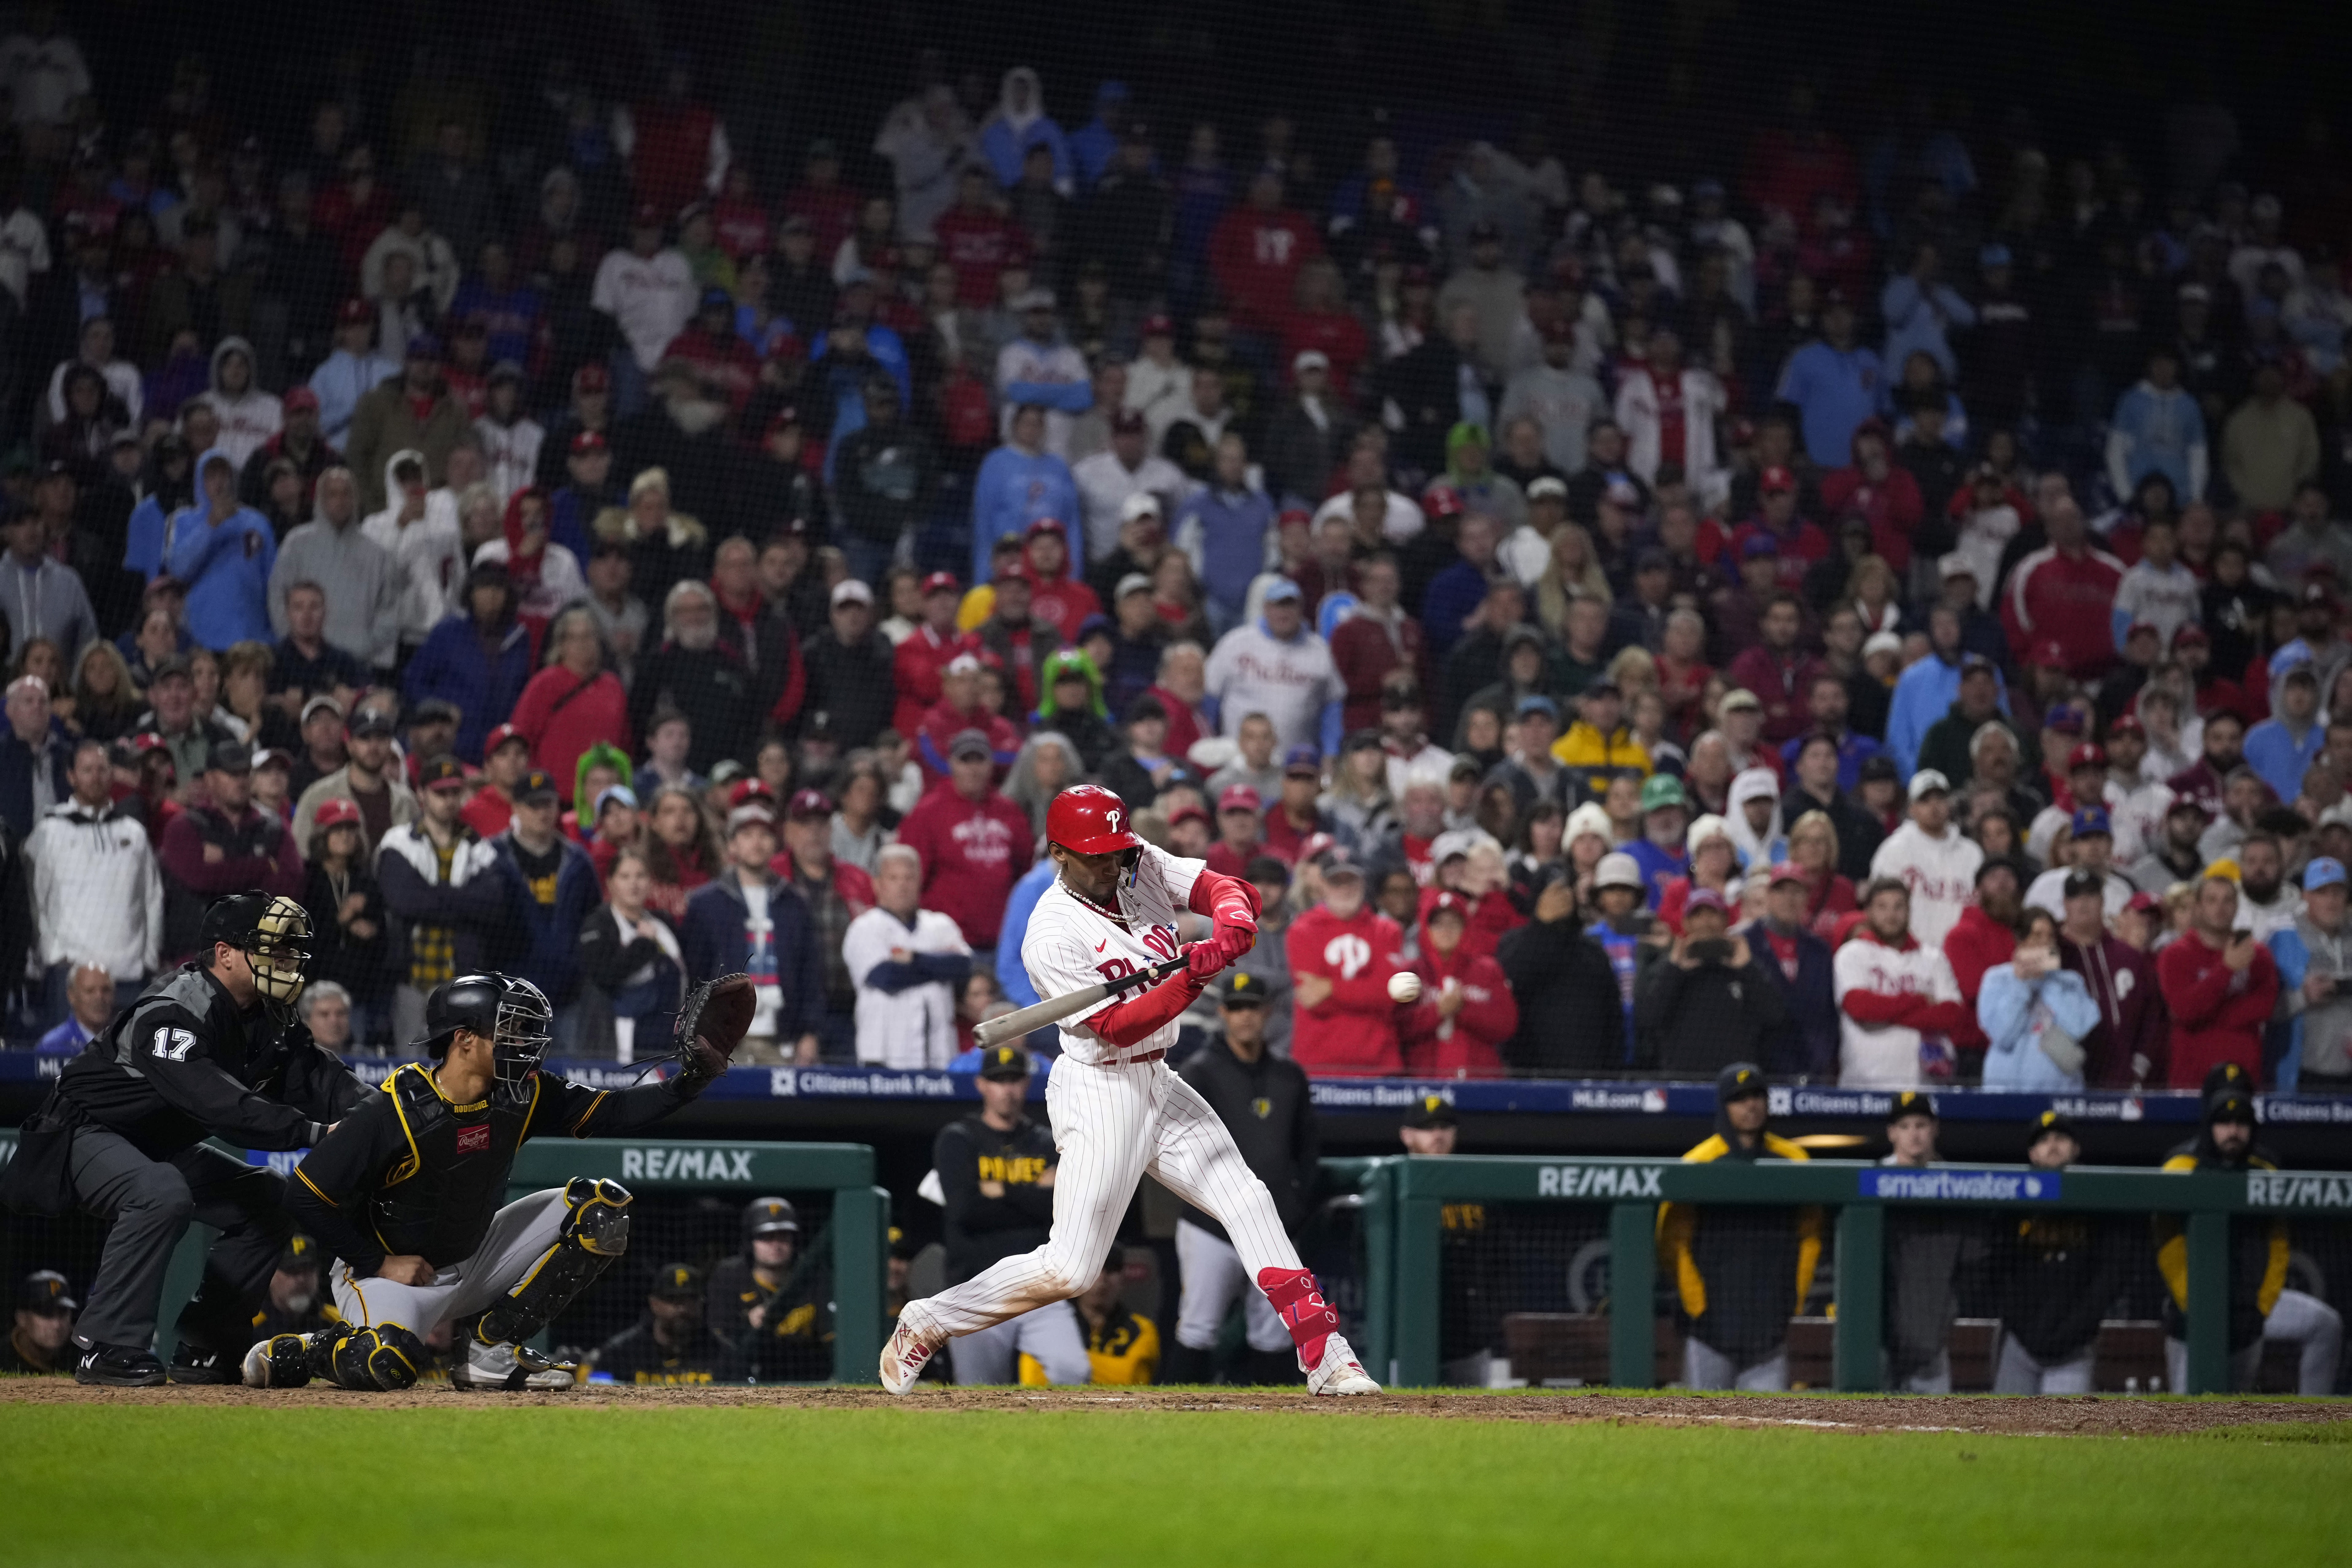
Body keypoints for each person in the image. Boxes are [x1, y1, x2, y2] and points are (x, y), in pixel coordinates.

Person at [882, 785, 1381, 1396]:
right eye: (1095, 855)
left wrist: (1232, 923)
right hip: (1099, 1088)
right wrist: (1193, 977)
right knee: (1072, 1269)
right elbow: (1116, 1027)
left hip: (1158, 1077)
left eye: (1114, 851)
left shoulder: (1136, 859)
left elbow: (1223, 889)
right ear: (1059, 854)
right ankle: (929, 1319)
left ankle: (1326, 1354)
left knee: (1248, 1199)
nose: (1110, 863)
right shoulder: (1050, 935)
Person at [255, 971, 748, 1392]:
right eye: (508, 1030)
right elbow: (303, 1195)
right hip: (388, 1275)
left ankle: (490, 1350)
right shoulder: (393, 1110)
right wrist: (378, 1261)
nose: (523, 1041)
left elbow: (615, 1110)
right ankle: (308, 1350)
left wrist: (691, 1080)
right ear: (463, 1039)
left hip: (474, 1257)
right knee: (388, 1365)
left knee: (602, 1211)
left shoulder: (524, 1093)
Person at [6, 895, 364, 1385]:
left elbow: (321, 1078)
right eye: (273, 948)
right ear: (226, 954)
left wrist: (387, 1112)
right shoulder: (174, 1010)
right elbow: (216, 1104)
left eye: (289, 950)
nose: (285, 961)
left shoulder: (266, 1014)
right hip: (79, 1133)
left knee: (272, 1199)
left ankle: (208, 1344)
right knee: (162, 1192)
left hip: (152, 1144)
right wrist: (313, 1134)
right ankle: (105, 1345)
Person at [1164, 970, 1319, 1385]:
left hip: (1273, 1226)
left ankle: (1270, 1430)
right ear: (1222, 1013)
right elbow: (1182, 1150)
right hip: (1211, 1225)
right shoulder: (1199, 1073)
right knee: (1199, 1326)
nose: (1245, 1017)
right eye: (1236, 1008)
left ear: (1267, 1011)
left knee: (1274, 1335)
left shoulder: (1290, 1075)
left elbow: (1306, 1151)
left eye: (1252, 1007)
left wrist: (1296, 1206)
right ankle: (1173, 1425)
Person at [2155, 1087, 2344, 1395]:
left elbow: (2279, 1246)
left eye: (2242, 1123)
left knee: (2238, 1411)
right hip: (2191, 1318)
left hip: (2248, 1314)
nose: (2233, 1131)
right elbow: (2168, 1245)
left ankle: (2315, 1420)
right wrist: (2195, 1303)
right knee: (2186, 1418)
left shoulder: (2265, 1171)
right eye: (2225, 1123)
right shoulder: (2184, 1168)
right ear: (2209, 1127)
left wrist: (2262, 1306)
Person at [1655, 1064, 1823, 1391]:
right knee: (1703, 1431)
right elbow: (1672, 1241)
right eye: (1739, 1099)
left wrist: (1795, 1298)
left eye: (1757, 1097)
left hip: (1771, 1329)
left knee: (1767, 1432)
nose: (1751, 1106)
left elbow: (1811, 1235)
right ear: (1724, 1106)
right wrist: (1697, 1304)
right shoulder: (1699, 1163)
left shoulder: (1794, 1160)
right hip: (1709, 1330)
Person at [926, 1043, 1086, 1385]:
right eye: (998, 1080)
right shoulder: (959, 1139)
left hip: (1039, 1286)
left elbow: (1060, 1208)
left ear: (1026, 1084)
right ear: (982, 1084)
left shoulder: (1046, 1140)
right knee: (978, 1392)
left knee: (1074, 1370)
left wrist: (1003, 1190)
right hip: (976, 1288)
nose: (1007, 1090)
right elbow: (966, 1210)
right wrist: (1033, 1193)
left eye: (1014, 1080)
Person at [679, 796, 824, 1066]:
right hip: (720, 1040)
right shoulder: (705, 904)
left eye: (764, 835)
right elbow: (693, 973)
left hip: (782, 1041)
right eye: (747, 835)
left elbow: (810, 975)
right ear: (733, 844)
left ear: (776, 844)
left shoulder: (795, 904)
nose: (756, 843)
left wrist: (810, 1033)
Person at [1992, 1112, 2129, 1394]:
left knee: (2063, 1434)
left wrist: (2074, 1331)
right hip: (2019, 1346)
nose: (2053, 1146)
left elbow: (2110, 1277)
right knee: (2005, 1433)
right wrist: (2023, 1326)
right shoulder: (2013, 1204)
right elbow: (1997, 1271)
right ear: (2032, 1153)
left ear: (2076, 1149)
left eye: (2061, 1139)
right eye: (2044, 1141)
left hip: (2074, 1351)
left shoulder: (2098, 1201)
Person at [375, 757, 507, 1045]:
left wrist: (433, 895)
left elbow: (494, 906)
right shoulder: (399, 842)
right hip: (410, 977)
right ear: (421, 794)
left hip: (459, 981)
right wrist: (462, 901)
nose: (449, 801)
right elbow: (404, 901)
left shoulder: (478, 846)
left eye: (454, 793)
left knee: (456, 1065)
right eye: (440, 793)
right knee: (409, 1068)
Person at [29, 737, 162, 1020]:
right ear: (71, 776)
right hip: (71, 976)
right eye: (87, 770)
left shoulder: (134, 833)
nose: (96, 777)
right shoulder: (50, 832)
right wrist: (49, 956)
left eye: (102, 769)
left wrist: (149, 959)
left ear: (112, 774)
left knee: (128, 1061)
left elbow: (152, 897)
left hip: (127, 976)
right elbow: (35, 899)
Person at [895, 730, 1035, 968]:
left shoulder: (1009, 811)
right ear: (951, 764)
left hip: (1003, 945)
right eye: (965, 761)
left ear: (991, 764)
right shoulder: (928, 813)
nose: (973, 769)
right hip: (948, 945)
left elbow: (1025, 871)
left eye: (979, 760)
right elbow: (909, 877)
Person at [1877, 1092, 1980, 1393]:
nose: (1914, 1134)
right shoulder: (1870, 1180)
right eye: (1906, 1126)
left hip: (1933, 1343)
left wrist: (1948, 1313)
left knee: (1938, 1432)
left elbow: (1970, 1264)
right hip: (1878, 1342)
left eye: (1921, 1125)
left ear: (1935, 1129)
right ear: (1892, 1133)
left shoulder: (1954, 1186)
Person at [843, 843, 973, 1070]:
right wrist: (937, 965)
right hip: (884, 1054)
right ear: (878, 884)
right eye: (894, 878)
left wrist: (914, 959)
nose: (902, 885)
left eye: (909, 878)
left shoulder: (940, 924)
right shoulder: (864, 927)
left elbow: (963, 967)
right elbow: (885, 976)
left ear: (920, 881)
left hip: (938, 1055)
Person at [1288, 855, 1416, 1077]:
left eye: (1351, 881)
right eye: (1337, 882)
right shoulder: (1302, 931)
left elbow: (1391, 995)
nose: (1345, 889)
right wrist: (1369, 990)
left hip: (1380, 1063)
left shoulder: (1388, 932)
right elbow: (1313, 1001)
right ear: (1323, 885)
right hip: (1319, 1064)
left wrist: (1330, 988)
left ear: (1363, 884)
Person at [1834, 877, 1969, 1087]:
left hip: (1926, 1084)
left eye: (1899, 907)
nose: (1891, 915)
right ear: (1868, 912)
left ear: (1909, 910)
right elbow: (1859, 1007)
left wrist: (1884, 1013)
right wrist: (1919, 1001)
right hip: (1866, 1081)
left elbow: (1951, 1015)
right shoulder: (1852, 954)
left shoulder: (1933, 957)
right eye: (1882, 907)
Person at [2157, 869, 2281, 1087]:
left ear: (2237, 906)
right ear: (2198, 907)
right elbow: (2185, 1011)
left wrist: (2207, 1017)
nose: (2220, 908)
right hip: (2191, 1081)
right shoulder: (2175, 955)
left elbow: (2265, 1007)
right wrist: (2226, 970)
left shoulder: (2257, 954)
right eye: (2211, 900)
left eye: (2227, 901)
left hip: (2244, 1079)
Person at [1495, 868, 1627, 1074]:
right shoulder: (1513, 943)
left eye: (1566, 892)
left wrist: (1612, 1078)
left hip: (1588, 1081)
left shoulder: (1592, 952)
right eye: (1552, 893)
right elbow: (1510, 984)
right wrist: (1542, 925)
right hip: (1528, 1080)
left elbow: (1613, 1021)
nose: (1560, 899)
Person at [1203, 578, 1343, 755]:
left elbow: (1333, 709)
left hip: (1296, 762)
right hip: (1238, 760)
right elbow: (1210, 698)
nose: (1284, 613)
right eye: (1278, 606)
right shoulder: (1236, 642)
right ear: (1266, 609)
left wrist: (1331, 754)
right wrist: (1212, 747)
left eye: (1290, 606)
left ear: (1301, 610)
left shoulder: (1320, 650)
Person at [706, 1197, 832, 1383]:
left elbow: (832, 1338)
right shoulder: (731, 1275)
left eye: (784, 1236)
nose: (776, 1245)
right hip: (743, 1375)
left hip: (806, 1373)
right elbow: (718, 1333)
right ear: (750, 1241)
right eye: (766, 1237)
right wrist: (746, 1322)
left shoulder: (814, 1276)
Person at [1978, 904, 2102, 1091]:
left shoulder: (2071, 982)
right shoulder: (1997, 979)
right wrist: (2022, 986)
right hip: (2007, 1094)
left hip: (2061, 1092)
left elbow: (2077, 1029)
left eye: (2051, 936)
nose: (2046, 943)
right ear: (2020, 940)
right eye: (2037, 936)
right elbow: (2003, 1036)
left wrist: (2047, 982)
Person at [1868, 769, 1981, 948]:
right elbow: (1880, 909)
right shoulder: (1894, 851)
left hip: (1960, 953)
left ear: (1950, 804)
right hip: (1912, 954)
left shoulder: (1972, 853)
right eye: (1925, 801)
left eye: (1940, 799)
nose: (1934, 806)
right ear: (1912, 808)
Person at [1745, 862, 1840, 1077]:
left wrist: (1823, 1058)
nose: (1789, 899)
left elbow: (1828, 1014)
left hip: (1811, 1069)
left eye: (1797, 891)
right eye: (1781, 891)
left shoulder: (1819, 951)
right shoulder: (1745, 944)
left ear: (1807, 898)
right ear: (1769, 896)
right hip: (1759, 1069)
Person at [2270, 856, 2352, 1092]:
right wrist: (2302, 997)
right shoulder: (2283, 937)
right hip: (2302, 1071)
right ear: (2306, 896)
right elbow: (2262, 1009)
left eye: (2338, 892)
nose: (2331, 901)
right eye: (2322, 892)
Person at [595, 1262, 726, 1385]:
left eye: (690, 1300)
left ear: (701, 1303)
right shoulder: (620, 1353)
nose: (682, 1309)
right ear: (654, 1303)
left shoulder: (722, 1353)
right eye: (672, 1300)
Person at [0, 1269, 79, 1375]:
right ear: (22, 1318)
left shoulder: (82, 1356)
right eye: (46, 1314)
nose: (57, 1325)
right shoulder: (3, 1359)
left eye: (63, 1313)